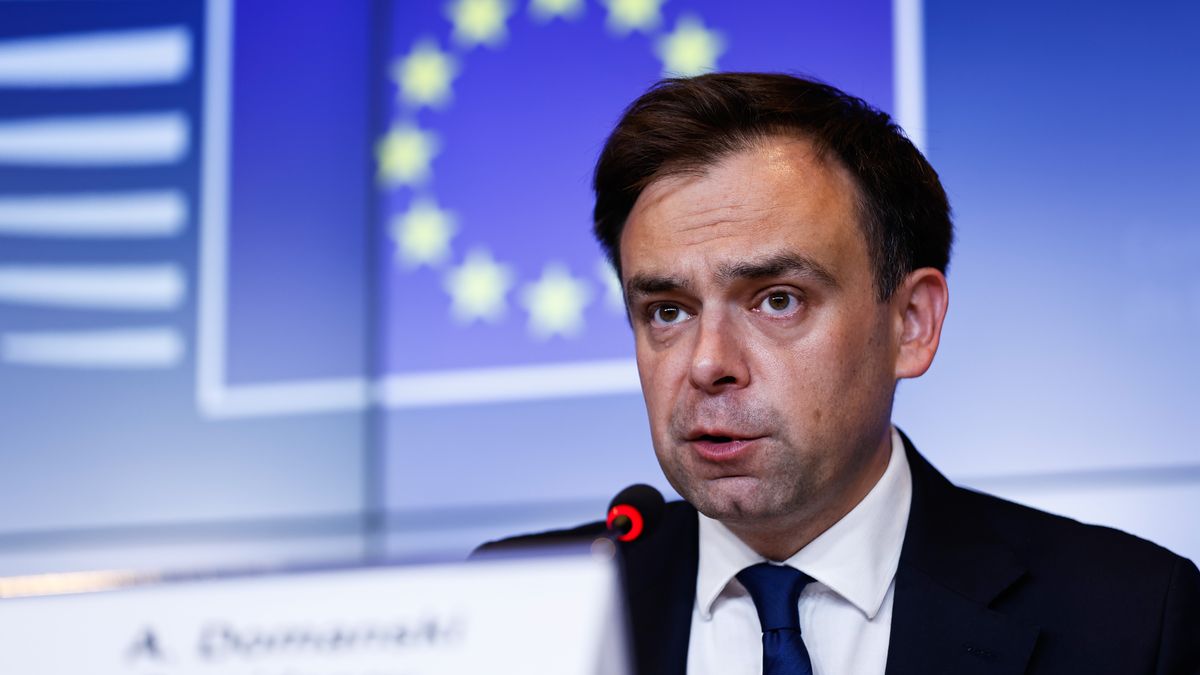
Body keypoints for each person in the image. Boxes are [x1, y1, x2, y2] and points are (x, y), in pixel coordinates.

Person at [479, 73, 1200, 675]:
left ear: (910, 323)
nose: (707, 363)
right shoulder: (518, 609)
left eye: (778, 299)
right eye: (667, 310)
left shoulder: (1131, 620)